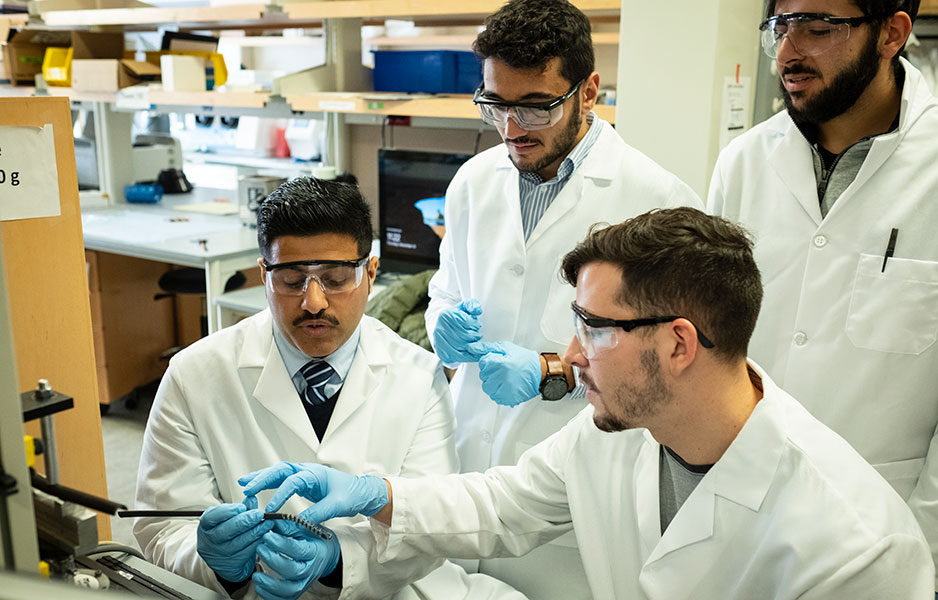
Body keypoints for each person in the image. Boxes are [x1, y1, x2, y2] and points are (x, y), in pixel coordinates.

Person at [242, 207, 935, 599]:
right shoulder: (621, 430)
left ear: (678, 344)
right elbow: (501, 506)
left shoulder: (859, 551)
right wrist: (372, 492)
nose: (569, 357)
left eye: (593, 329)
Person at [133, 178, 525, 600]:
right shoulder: (195, 374)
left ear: (370, 274)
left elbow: (430, 525)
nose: (314, 302)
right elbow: (162, 524)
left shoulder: (418, 375)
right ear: (264, 275)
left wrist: (340, 561)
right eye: (291, 279)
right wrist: (214, 562)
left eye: (336, 279)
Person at [425, 1, 701, 595]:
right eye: (495, 104)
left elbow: (673, 367)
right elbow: (445, 287)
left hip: (575, 488)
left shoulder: (656, 199)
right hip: (468, 454)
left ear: (589, 91)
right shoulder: (474, 181)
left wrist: (552, 371)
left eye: (535, 106)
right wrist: (442, 320)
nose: (511, 128)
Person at [707, 0, 938, 590]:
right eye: (779, 29)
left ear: (892, 33)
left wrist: (925, 548)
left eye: (817, 29)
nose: (788, 53)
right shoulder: (741, 164)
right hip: (738, 508)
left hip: (886, 527)